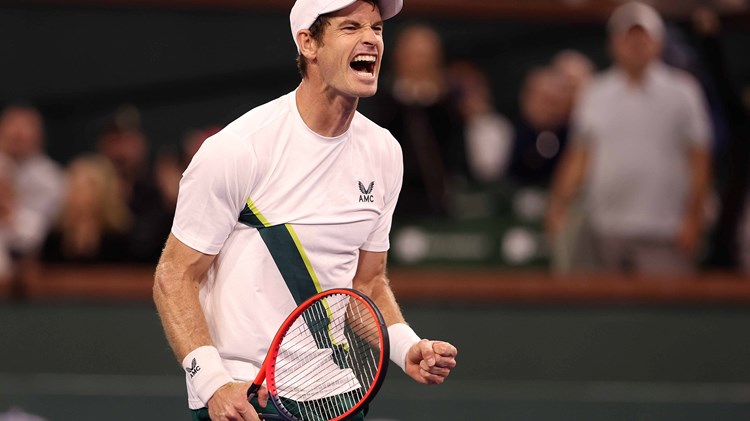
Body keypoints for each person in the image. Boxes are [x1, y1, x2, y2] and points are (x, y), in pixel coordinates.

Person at [152, 1, 458, 420]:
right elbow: (175, 275)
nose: (371, 38)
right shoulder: (239, 149)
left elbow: (365, 283)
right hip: (248, 399)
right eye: (350, 27)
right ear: (309, 43)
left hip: (339, 398)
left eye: (377, 28)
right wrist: (212, 384)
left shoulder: (385, 152)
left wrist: (406, 347)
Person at [546, 2, 713, 275]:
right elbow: (580, 155)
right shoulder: (595, 92)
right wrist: (558, 203)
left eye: (643, 37)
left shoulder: (683, 92)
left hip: (665, 233)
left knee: (665, 314)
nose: (635, 44)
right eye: (628, 37)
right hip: (605, 230)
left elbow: (700, 160)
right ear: (613, 44)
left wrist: (693, 220)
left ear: (658, 42)